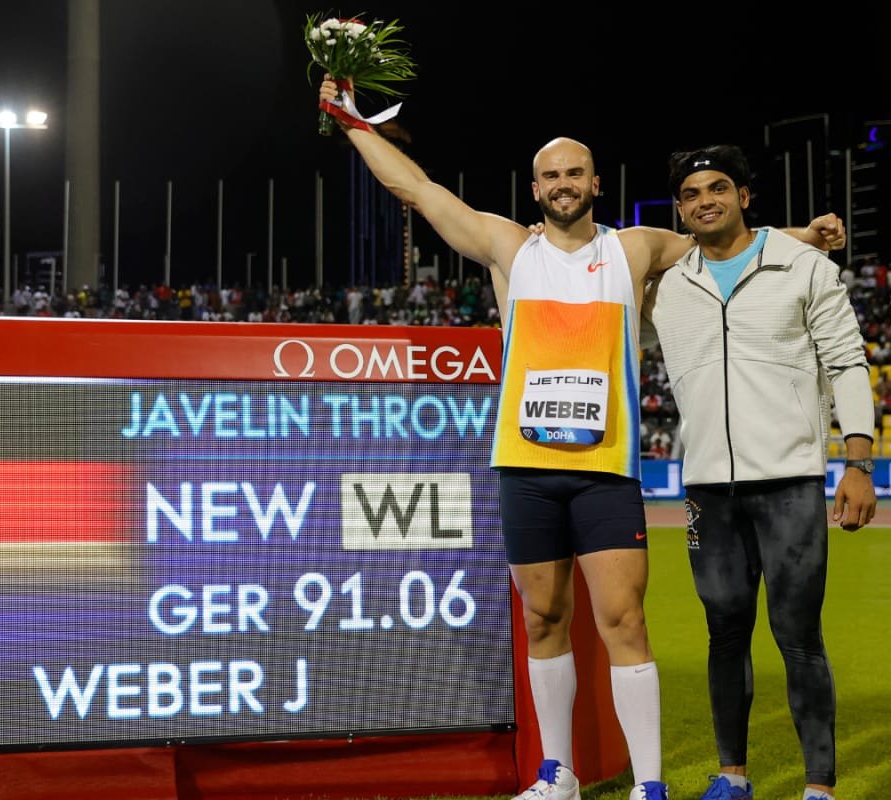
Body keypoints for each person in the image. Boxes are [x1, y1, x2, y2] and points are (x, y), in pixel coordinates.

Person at [317, 78, 846, 800]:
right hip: (526, 468)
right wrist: (348, 122)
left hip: (606, 470)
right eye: (550, 176)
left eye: (575, 173)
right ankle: (556, 772)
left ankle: (650, 784)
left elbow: (724, 240)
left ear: (595, 182)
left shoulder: (633, 250)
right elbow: (415, 188)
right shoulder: (507, 247)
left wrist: (802, 237)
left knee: (623, 619)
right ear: (534, 188)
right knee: (543, 618)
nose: (563, 185)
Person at [644, 144, 875, 800]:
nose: (704, 201)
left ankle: (818, 788)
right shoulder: (668, 285)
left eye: (718, 188)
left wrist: (857, 462)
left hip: (791, 483)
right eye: (690, 195)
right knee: (724, 631)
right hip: (706, 491)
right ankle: (731, 776)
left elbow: (848, 362)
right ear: (680, 210)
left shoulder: (802, 265)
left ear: (745, 196)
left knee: (798, 634)